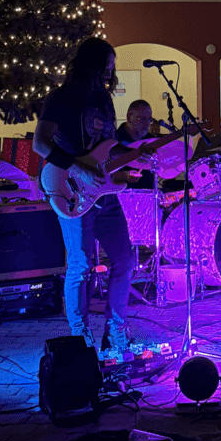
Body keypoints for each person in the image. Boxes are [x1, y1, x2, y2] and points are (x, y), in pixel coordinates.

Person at [34, 37, 138, 351]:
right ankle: (80, 337)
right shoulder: (62, 98)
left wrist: (135, 152)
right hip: (71, 189)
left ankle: (115, 330)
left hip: (104, 193)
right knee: (81, 265)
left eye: (111, 68)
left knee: (126, 260)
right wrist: (78, 170)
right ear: (89, 66)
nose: (109, 73)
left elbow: (105, 146)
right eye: (105, 67)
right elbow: (41, 143)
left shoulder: (104, 100)